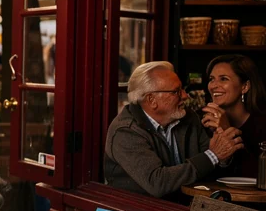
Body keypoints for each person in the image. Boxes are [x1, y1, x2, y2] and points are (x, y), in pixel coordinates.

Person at [104, 61, 243, 199]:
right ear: (152, 100)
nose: (185, 96)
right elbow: (157, 183)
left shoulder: (188, 118)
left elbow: (210, 166)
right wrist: (214, 155)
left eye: (182, 89)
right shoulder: (125, 132)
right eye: (176, 91)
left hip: (185, 207)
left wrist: (224, 153)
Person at [200, 54, 266, 178]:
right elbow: (202, 175)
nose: (213, 85)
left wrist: (226, 131)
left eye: (223, 79)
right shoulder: (204, 123)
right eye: (212, 79)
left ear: (245, 86)